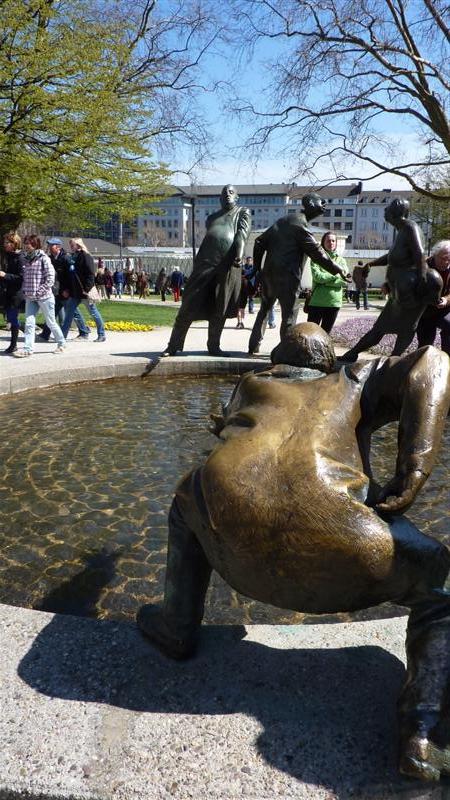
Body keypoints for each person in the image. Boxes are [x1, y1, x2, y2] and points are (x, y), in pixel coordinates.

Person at [137, 322, 450, 782]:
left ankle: (176, 625)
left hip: (231, 539)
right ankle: (422, 732)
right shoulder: (353, 379)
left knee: (188, 498)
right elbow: (432, 362)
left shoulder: (249, 384)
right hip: (343, 544)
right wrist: (415, 466)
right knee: (441, 583)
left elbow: (227, 433)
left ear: (276, 362)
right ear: (328, 362)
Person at [248, 193, 351, 354]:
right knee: (289, 316)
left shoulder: (285, 220)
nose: (324, 203)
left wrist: (257, 268)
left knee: (264, 311)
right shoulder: (300, 225)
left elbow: (259, 241)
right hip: (288, 279)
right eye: (320, 201)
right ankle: (285, 353)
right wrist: (339, 270)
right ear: (310, 203)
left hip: (269, 276)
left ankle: (253, 347)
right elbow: (318, 254)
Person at [342, 199, 443, 362]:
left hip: (410, 290)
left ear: (395, 212)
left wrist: (423, 280)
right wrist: (371, 263)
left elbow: (419, 253)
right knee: (381, 327)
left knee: (406, 327)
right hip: (399, 291)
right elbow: (392, 257)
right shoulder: (401, 230)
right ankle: (353, 354)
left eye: (387, 209)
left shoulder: (410, 227)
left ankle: (392, 360)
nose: (384, 211)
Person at [162, 185, 251, 357]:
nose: (227, 195)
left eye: (231, 193)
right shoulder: (211, 218)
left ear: (237, 197)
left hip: (227, 265)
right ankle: (173, 345)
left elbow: (242, 234)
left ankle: (213, 346)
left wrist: (239, 254)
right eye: (224, 193)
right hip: (205, 263)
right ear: (219, 198)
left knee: (220, 307)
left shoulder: (242, 212)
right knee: (188, 303)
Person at [12, 234, 66, 357]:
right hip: (30, 297)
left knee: (51, 322)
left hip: (45, 297)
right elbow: (25, 278)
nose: (27, 246)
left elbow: (50, 278)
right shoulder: (25, 259)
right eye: (26, 243)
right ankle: (28, 349)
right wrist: (26, 291)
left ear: (35, 244)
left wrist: (40, 292)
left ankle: (61, 343)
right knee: (29, 323)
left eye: (29, 243)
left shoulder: (44, 258)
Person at [39, 238, 89, 342]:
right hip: (57, 291)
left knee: (74, 312)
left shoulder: (66, 258)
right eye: (49, 245)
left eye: (51, 245)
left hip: (66, 291)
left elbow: (71, 276)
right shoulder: (51, 258)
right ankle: (45, 334)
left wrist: (68, 290)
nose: (49, 247)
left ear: (58, 246)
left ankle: (84, 332)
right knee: (52, 313)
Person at [61, 238, 106, 342]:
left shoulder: (86, 256)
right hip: (75, 292)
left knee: (93, 313)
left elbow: (91, 275)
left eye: (72, 245)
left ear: (78, 245)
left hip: (84, 292)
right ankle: (62, 336)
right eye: (70, 245)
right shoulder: (73, 257)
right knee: (69, 314)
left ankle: (101, 334)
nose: (71, 247)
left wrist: (86, 289)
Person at [307, 232, 347, 334]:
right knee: (311, 334)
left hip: (333, 303)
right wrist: (336, 275)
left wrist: (326, 281)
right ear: (323, 243)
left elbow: (344, 279)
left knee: (325, 335)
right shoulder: (316, 259)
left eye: (333, 240)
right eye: (328, 240)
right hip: (317, 302)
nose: (331, 243)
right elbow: (318, 277)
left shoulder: (341, 261)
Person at [416, 241, 450, 356]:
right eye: (443, 258)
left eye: (449, 260)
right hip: (425, 311)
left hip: (444, 308)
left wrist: (446, 299)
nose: (446, 262)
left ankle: (447, 359)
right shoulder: (422, 266)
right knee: (425, 345)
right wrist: (387, 285)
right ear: (435, 254)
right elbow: (405, 279)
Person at [0, 232, 25, 354]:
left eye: (7, 243)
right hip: (8, 292)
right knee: (10, 317)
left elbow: (21, 278)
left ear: (13, 243)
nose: (4, 245)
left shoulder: (20, 258)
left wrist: (5, 275)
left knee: (12, 317)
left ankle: (14, 344)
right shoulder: (9, 256)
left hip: (16, 294)